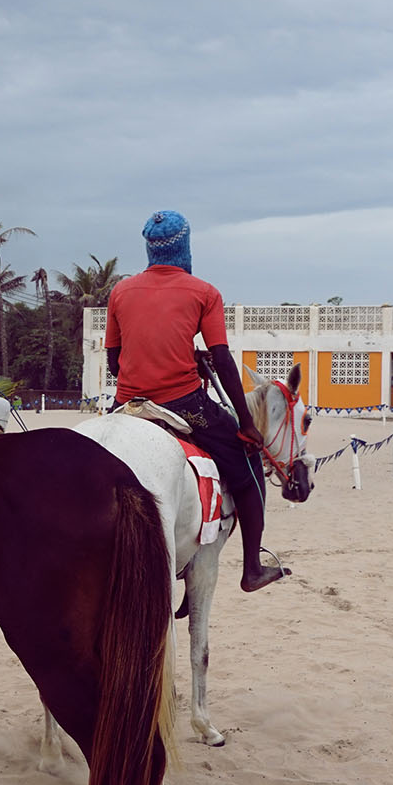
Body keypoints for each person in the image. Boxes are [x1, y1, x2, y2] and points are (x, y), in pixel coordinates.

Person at [104, 210, 288, 592]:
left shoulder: (120, 291)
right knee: (248, 465)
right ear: (184, 247)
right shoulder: (203, 292)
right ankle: (252, 566)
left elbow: (113, 360)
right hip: (182, 403)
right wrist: (246, 423)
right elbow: (221, 359)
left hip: (127, 403)